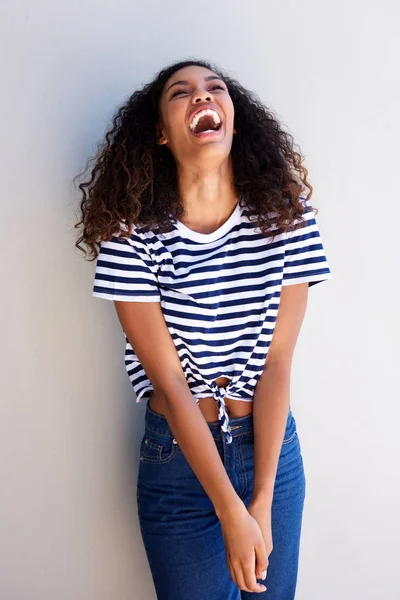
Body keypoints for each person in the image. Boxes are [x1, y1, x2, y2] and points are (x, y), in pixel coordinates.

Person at [74, 58, 332, 599]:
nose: (202, 96)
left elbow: (278, 360)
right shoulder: (131, 233)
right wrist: (228, 507)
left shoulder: (286, 215)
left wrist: (260, 499)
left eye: (215, 88)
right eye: (181, 93)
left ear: (234, 121)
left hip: (272, 453)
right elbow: (168, 380)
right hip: (179, 466)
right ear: (161, 134)